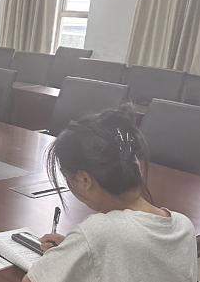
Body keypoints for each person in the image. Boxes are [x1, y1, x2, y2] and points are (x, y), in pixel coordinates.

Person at [23, 106, 198, 282]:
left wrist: (82, 246)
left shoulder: (97, 233)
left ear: (85, 179)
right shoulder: (184, 227)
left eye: (67, 177)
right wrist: (75, 249)